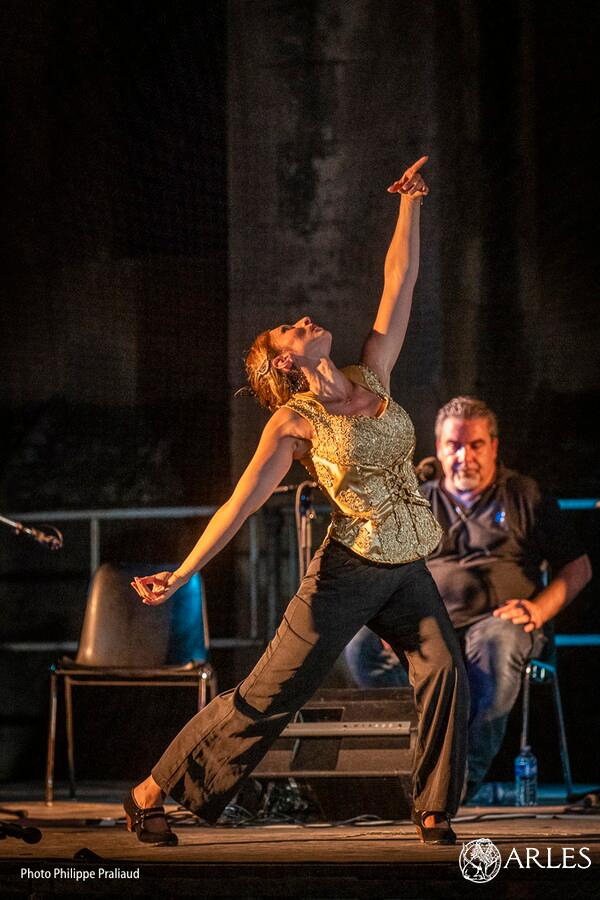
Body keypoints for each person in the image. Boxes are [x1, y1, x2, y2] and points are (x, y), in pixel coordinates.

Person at [126, 156, 469, 847]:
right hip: (346, 571)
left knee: (447, 668)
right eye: (290, 327)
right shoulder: (294, 423)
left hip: (406, 566)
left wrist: (410, 205)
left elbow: (398, 285)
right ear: (284, 361)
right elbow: (240, 504)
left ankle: (432, 810)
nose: (304, 320)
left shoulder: (371, 371)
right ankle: (148, 792)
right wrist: (185, 571)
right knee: (269, 695)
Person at [344, 396, 592, 800]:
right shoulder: (418, 501)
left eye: (475, 445)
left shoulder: (523, 495)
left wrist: (539, 609)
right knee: (362, 645)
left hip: (498, 623)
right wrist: (387, 615)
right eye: (453, 446)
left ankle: (455, 783)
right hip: (428, 624)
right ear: (438, 449)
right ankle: (414, 761)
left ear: (494, 446)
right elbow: (387, 567)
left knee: (497, 640)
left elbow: (578, 566)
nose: (464, 456)